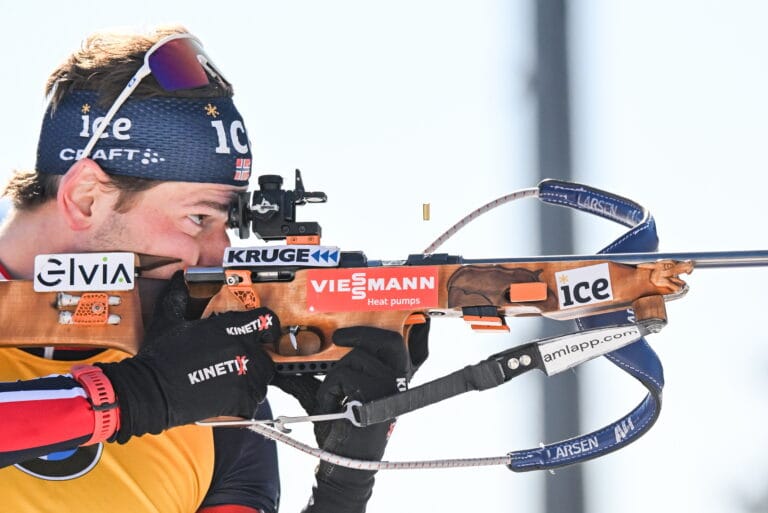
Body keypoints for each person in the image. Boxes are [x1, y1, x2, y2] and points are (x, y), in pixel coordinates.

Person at [0, 26, 427, 513]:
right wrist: (134, 396)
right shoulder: (175, 383)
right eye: (198, 218)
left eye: (228, 224)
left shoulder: (205, 382)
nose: (217, 254)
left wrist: (341, 486)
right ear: (86, 197)